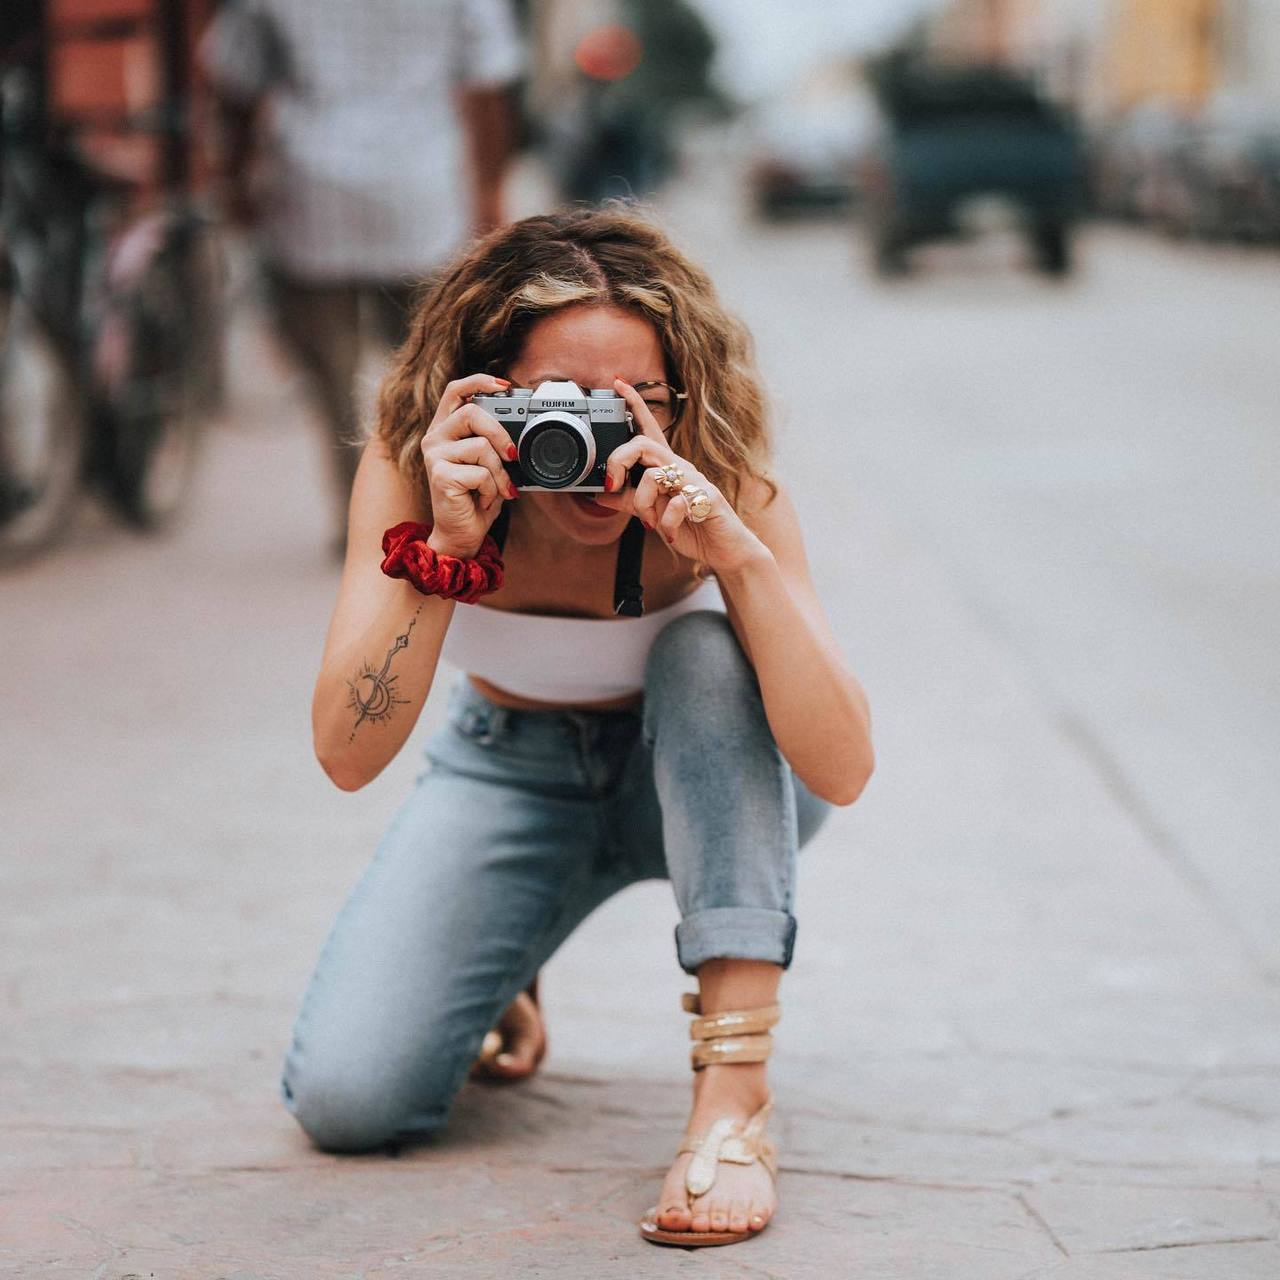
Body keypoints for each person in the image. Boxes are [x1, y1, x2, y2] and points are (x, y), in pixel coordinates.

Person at [286, 208, 874, 1247]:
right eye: (560, 407)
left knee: (701, 656)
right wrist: (445, 544)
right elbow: (346, 753)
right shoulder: (414, 467)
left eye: (637, 402)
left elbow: (837, 766)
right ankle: (511, 938)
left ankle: (734, 1099)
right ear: (484, 394)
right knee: (349, 1101)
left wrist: (734, 558)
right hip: (508, 774)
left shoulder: (716, 460)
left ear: (680, 394)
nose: (598, 444)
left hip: (708, 781)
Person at [199, 0, 522, 554]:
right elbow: (491, 85)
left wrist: (232, 176)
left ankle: (361, 515)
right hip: (419, 188)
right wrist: (491, 189)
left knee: (332, 373)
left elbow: (234, 78)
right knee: (432, 365)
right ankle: (430, 504)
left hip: (310, 184)